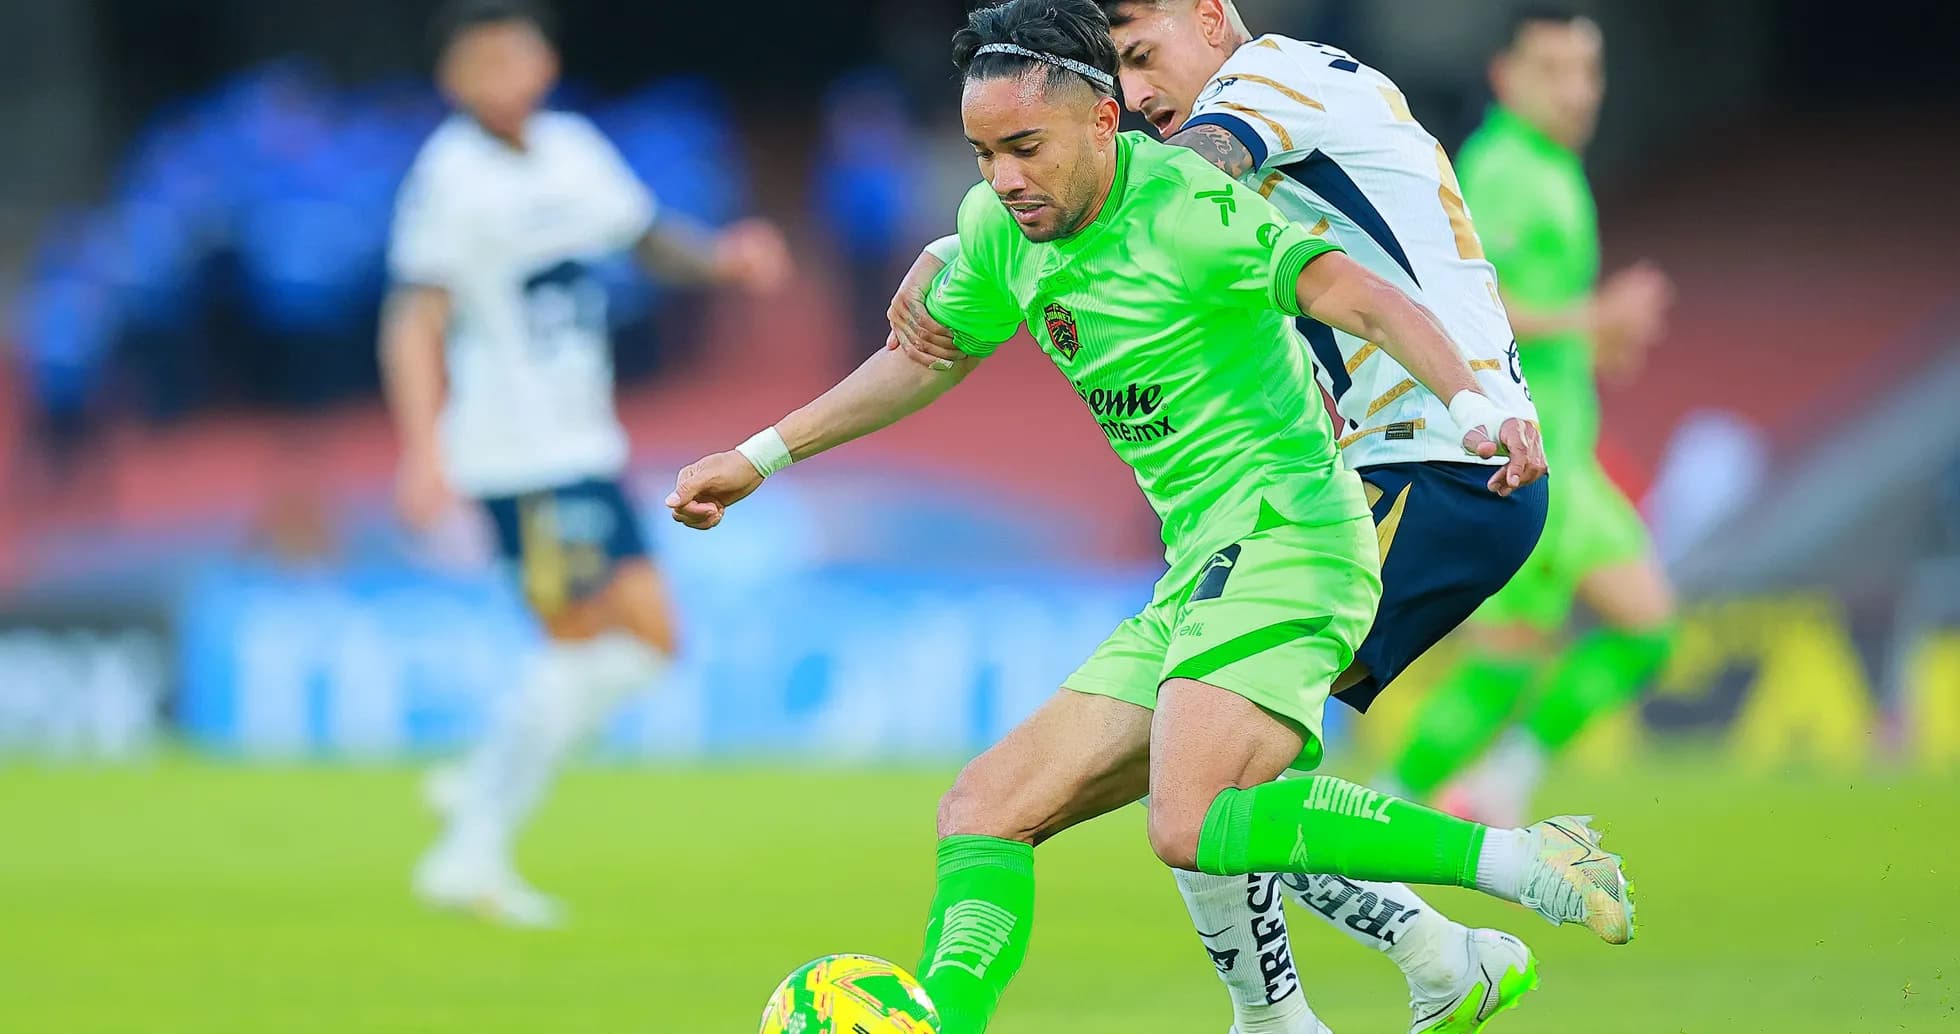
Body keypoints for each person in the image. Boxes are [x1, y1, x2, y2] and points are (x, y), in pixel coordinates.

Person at [668, 3, 1627, 1032]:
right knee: (989, 809)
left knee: (1205, 800)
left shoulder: (1212, 173)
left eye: (1024, 146)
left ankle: (1517, 864)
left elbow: (1344, 285)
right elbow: (921, 356)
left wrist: (1474, 400)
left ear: (1105, 115)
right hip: (1207, 559)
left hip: (1320, 517)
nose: (1000, 177)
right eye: (982, 154)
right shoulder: (1008, 225)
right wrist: (763, 454)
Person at [883, 2, 1557, 1029]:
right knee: (1208, 776)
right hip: (1401, 464)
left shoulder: (1272, 80)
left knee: (1211, 774)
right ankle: (1421, 961)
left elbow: (1163, 180)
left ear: (1211, 17)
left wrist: (980, 221)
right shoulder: (1295, 93)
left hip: (1430, 465)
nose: (1139, 98)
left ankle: (1409, 947)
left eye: (1144, 61)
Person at [381, 0, 787, 927]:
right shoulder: (451, 175)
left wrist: (722, 261)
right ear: (458, 78)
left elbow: (641, 236)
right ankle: (471, 851)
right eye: (488, 60)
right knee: (589, 646)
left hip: (583, 444)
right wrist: (420, 451)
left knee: (647, 646)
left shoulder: (570, 147)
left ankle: (483, 785)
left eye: (521, 54)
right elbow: (415, 316)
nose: (510, 73)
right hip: (514, 454)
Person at [1387, 7, 1679, 832]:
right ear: (1505, 78)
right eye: (1553, 70)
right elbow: (1474, 305)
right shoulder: (1505, 168)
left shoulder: (1551, 167)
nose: (1576, 91)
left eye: (1587, 70)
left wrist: (1597, 334)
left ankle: (1496, 785)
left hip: (1572, 457)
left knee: (1647, 629)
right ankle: (1384, 815)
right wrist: (1597, 316)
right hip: (1527, 454)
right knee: (1504, 667)